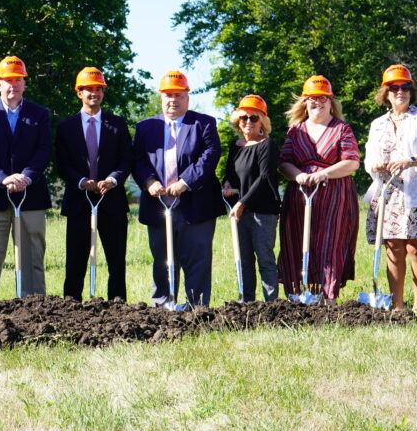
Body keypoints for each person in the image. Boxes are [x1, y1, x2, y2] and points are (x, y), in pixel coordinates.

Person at [133, 71, 222, 309]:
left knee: (197, 258)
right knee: (162, 258)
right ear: (161, 97)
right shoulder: (145, 127)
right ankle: (163, 305)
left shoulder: (203, 123)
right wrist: (150, 181)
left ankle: (197, 307)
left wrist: (185, 182)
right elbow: (137, 160)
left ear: (187, 98)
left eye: (178, 95)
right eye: (168, 95)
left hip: (196, 203)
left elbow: (210, 156)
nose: (173, 100)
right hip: (158, 203)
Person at [0, 56, 52, 301]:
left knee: (32, 258)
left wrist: (26, 176)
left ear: (24, 84)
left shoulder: (39, 114)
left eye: (17, 80)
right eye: (7, 80)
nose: (12, 85)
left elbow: (44, 150)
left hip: (31, 195)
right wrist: (3, 178)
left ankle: (35, 308)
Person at [364, 64, 417, 312]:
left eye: (405, 87)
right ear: (386, 92)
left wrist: (409, 160)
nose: (400, 91)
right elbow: (368, 156)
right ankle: (397, 306)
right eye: (394, 87)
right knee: (394, 247)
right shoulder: (378, 124)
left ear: (411, 90)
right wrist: (374, 164)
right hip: (388, 192)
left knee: (416, 247)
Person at [277, 75, 360, 304]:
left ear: (331, 101)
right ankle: (299, 295)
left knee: (330, 244)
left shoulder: (341, 128)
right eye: (313, 99)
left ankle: (328, 297)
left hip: (334, 196)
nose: (318, 103)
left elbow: (352, 162)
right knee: (296, 243)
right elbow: (284, 162)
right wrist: (299, 175)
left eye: (323, 98)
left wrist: (324, 173)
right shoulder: (296, 131)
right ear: (305, 102)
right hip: (300, 196)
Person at [54, 67, 133, 301]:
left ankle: (117, 307)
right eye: (88, 89)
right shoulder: (65, 127)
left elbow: (126, 159)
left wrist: (112, 179)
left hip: (112, 202)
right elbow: (62, 163)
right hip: (79, 202)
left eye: (98, 89)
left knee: (116, 261)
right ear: (79, 93)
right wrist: (80, 181)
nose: (94, 93)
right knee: (75, 261)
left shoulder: (117, 124)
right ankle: (71, 306)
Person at [222, 94, 281, 302]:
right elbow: (229, 174)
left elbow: (264, 177)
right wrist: (227, 185)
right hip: (240, 212)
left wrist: (241, 202)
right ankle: (247, 303)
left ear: (262, 121)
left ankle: (272, 305)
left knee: (265, 259)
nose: (248, 122)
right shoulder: (235, 147)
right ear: (238, 120)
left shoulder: (267, 145)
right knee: (244, 260)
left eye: (254, 118)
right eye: (244, 117)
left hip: (263, 211)